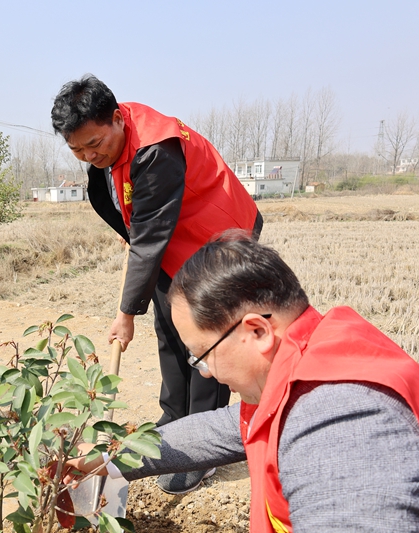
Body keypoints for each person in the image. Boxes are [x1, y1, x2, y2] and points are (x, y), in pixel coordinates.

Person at [68, 232, 419, 532]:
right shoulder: (310, 359)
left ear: (257, 331)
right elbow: (220, 429)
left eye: (203, 355)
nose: (205, 373)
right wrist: (108, 456)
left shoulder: (341, 427)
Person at [51, 75, 262, 493]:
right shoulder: (109, 143)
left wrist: (125, 314)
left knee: (206, 339)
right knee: (169, 327)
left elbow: (148, 239)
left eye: (94, 144)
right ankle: (173, 417)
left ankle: (201, 445)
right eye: (77, 150)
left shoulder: (155, 149)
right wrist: (132, 237)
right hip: (172, 239)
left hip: (216, 236)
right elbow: (137, 222)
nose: (89, 155)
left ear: (116, 119)